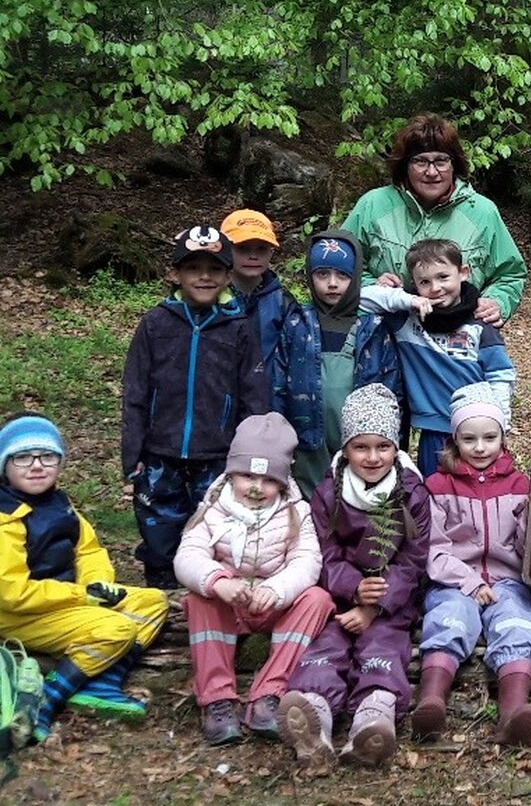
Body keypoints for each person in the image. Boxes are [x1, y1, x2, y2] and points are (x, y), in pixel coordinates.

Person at [276, 384, 432, 770]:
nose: (373, 457)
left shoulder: (412, 493)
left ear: (396, 447)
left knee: (383, 646)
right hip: (340, 596)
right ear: (345, 449)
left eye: (383, 446)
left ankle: (373, 716)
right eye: (361, 447)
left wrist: (376, 604)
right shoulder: (329, 493)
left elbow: (414, 559)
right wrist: (353, 588)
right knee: (327, 644)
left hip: (391, 599)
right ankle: (314, 714)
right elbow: (324, 551)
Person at [0, 413, 169, 743]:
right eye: (23, 458)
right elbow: (12, 593)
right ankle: (48, 698)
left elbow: (88, 550)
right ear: (5, 465)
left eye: (47, 456)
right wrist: (81, 596)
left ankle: (100, 683)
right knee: (117, 628)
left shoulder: (59, 504)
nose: (37, 466)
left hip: (65, 600)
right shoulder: (6, 518)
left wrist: (98, 583)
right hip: (19, 614)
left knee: (153, 602)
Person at [173, 413, 335, 745]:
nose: (257, 488)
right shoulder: (214, 509)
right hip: (229, 605)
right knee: (199, 596)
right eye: (247, 476)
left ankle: (270, 694)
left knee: (318, 600)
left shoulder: (297, 512)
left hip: (273, 605)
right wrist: (218, 581)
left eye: (269, 480)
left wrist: (277, 589)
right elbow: (188, 555)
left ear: (283, 482)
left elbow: (307, 561)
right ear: (232, 474)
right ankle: (217, 698)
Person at [122, 225, 269, 589]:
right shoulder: (156, 323)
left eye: (214, 269)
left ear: (228, 275)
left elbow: (253, 393)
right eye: (193, 268)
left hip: (217, 450)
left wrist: (250, 451)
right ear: (176, 273)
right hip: (160, 447)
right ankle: (161, 583)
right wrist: (132, 450)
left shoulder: (238, 327)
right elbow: (136, 390)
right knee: (158, 516)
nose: (204, 277)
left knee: (215, 519)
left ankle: (207, 586)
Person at [410, 383, 531, 745]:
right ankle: (431, 700)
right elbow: (434, 548)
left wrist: (530, 517)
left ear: (503, 437)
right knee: (450, 618)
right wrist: (469, 583)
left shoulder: (520, 484)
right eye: (469, 439)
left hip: (507, 580)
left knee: (517, 622)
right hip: (455, 581)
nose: (480, 447)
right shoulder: (438, 486)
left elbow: (527, 548)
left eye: (490, 437)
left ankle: (512, 711)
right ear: (455, 440)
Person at [341, 113, 527, 328]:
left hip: (460, 335)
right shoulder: (373, 205)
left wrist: (497, 302)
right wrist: (374, 286)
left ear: (454, 164)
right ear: (404, 165)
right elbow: (339, 265)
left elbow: (510, 274)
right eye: (420, 161)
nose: (431, 172)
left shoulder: (482, 212)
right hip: (384, 333)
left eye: (441, 161)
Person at [359, 238, 516, 477]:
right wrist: (405, 298)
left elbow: (500, 375)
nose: (435, 288)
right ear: (414, 284)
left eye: (443, 277)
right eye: (424, 282)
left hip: (477, 429)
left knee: (479, 493)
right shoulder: (407, 318)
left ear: (463, 273)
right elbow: (362, 298)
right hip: (433, 430)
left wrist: (500, 423)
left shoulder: (479, 323)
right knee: (434, 492)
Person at [273, 229, 401, 498]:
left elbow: (391, 389)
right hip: (306, 436)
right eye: (322, 274)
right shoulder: (297, 322)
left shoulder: (372, 327)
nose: (332, 283)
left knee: (355, 503)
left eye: (342, 275)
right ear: (310, 276)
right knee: (312, 502)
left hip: (362, 442)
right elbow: (278, 382)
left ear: (355, 278)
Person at [220, 209, 298, 387]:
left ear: (271, 253)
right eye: (243, 248)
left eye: (261, 249)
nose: (253, 256)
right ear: (224, 250)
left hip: (267, 395)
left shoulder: (283, 303)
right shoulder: (212, 298)